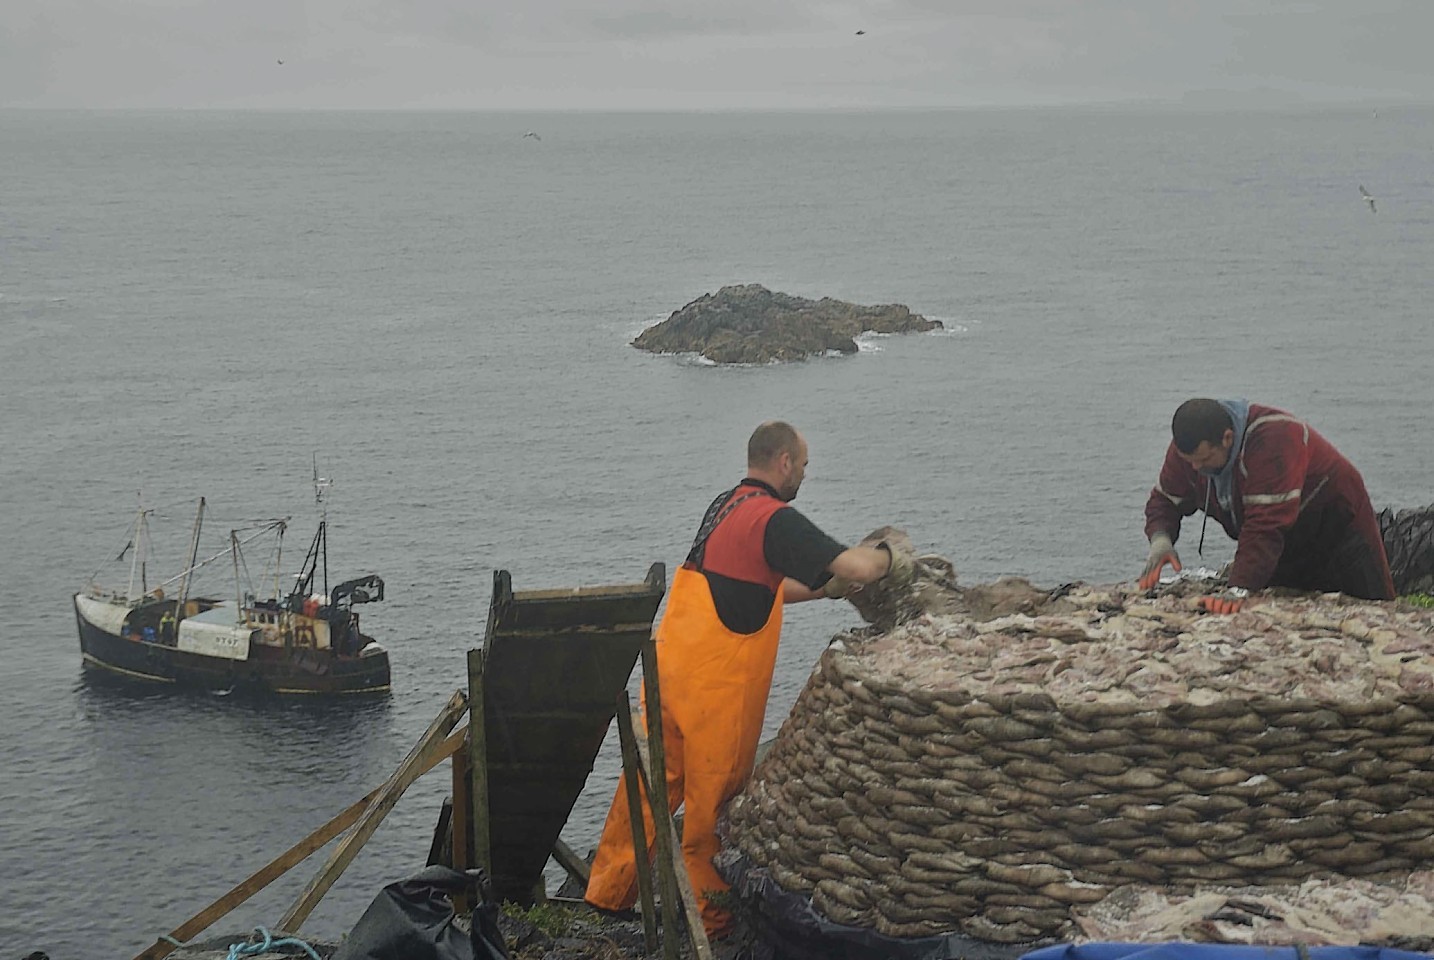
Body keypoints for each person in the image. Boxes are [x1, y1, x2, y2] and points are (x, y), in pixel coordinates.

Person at [583, 420, 910, 938]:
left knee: (645, 793)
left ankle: (604, 901)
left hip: (667, 675)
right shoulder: (775, 519)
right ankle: (710, 927)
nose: (805, 473)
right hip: (716, 691)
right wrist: (895, 553)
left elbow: (754, 590)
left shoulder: (725, 507)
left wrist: (826, 592)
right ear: (783, 462)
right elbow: (858, 566)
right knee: (712, 817)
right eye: (803, 464)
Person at [1139, 398, 1394, 612]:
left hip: (1338, 531)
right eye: (1190, 460)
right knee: (1289, 613)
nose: (1196, 468)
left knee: (1374, 611)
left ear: (1227, 438)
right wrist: (1161, 539)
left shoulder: (1274, 437)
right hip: (1284, 546)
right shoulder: (1189, 449)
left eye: (1204, 459)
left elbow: (1264, 527)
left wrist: (1239, 590)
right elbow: (1165, 500)